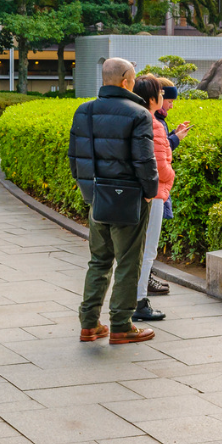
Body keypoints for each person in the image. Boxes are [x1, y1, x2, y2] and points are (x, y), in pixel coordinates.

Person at [68, 58, 160, 344]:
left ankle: (89, 323)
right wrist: (150, 191)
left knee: (99, 260)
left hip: (98, 196)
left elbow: (76, 158)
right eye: (132, 78)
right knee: (128, 262)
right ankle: (121, 324)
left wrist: (89, 193)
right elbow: (144, 160)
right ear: (125, 81)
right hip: (129, 197)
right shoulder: (139, 114)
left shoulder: (84, 111)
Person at [130, 75, 181, 322]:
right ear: (152, 99)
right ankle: (140, 302)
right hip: (154, 195)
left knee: (133, 251)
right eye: (161, 93)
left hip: (132, 194)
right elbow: (161, 167)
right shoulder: (154, 124)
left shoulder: (131, 118)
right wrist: (171, 176)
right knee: (148, 250)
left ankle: (132, 300)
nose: (164, 98)